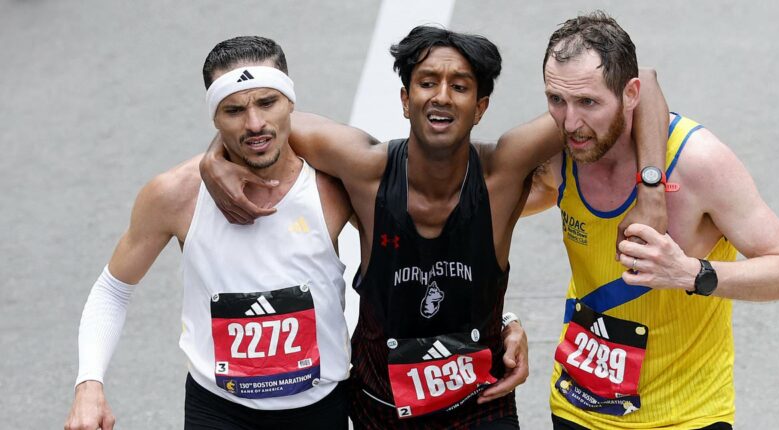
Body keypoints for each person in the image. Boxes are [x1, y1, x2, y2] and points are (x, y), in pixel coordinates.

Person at [200, 25, 670, 429]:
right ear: (406, 99)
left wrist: (650, 190)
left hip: (481, 406)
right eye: (427, 82)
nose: (442, 96)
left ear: (481, 106)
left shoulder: (503, 172)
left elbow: (641, 83)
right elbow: (258, 119)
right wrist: (214, 156)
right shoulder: (366, 169)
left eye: (460, 86)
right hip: (380, 407)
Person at [502, 11, 779, 429]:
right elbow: (474, 221)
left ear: (630, 94)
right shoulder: (561, 156)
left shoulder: (699, 163)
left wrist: (690, 273)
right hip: (578, 406)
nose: (569, 122)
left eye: (588, 102)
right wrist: (504, 319)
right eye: (556, 99)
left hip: (686, 416)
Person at [64, 36, 355, 430]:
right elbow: (113, 288)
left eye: (268, 102)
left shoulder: (334, 185)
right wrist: (89, 384)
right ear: (214, 119)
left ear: (291, 103)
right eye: (233, 110)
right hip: (218, 411)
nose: (254, 123)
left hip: (319, 408)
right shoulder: (176, 194)